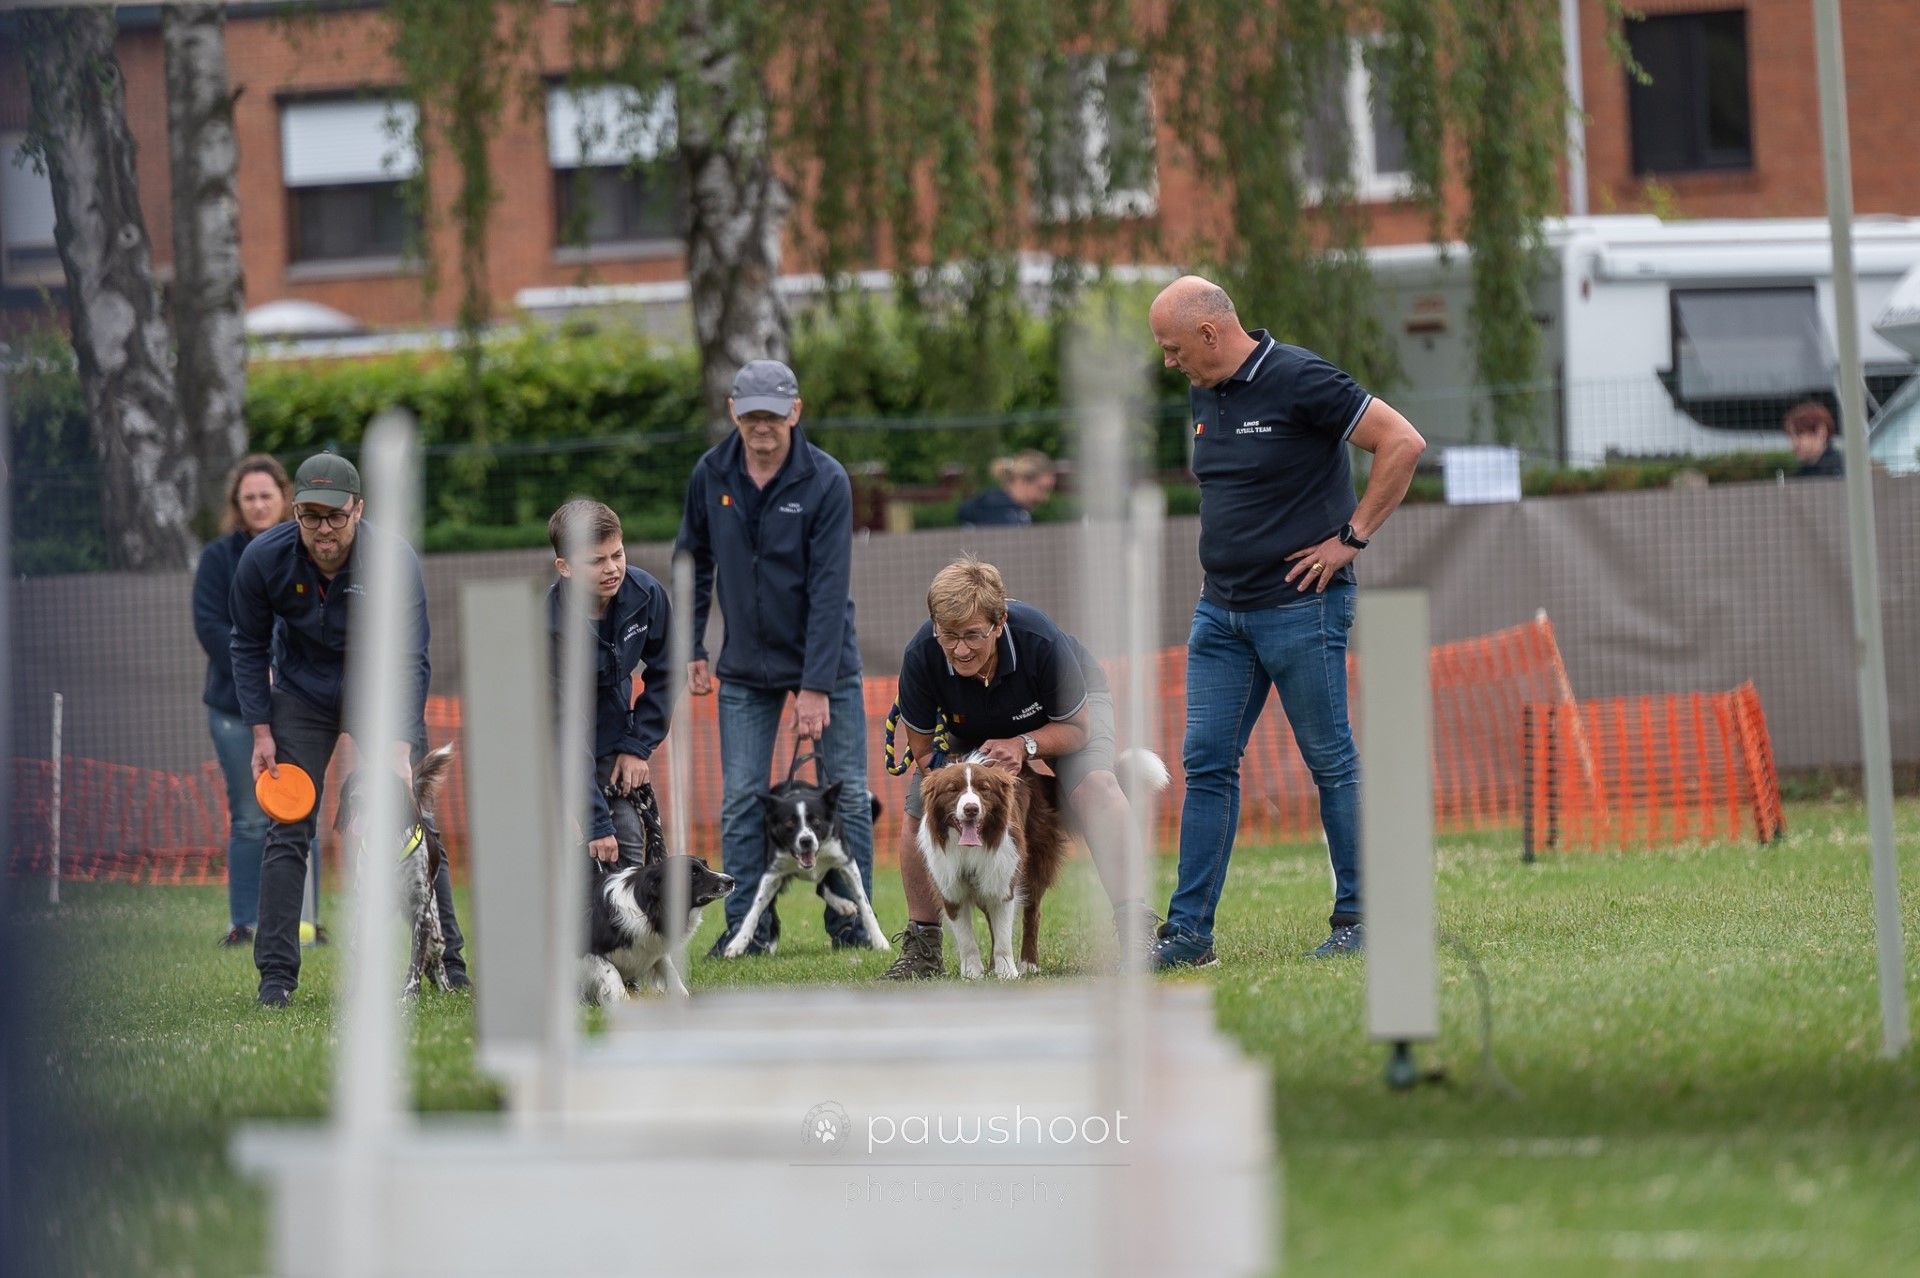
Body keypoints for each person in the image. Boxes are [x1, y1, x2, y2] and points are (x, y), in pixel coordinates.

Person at [1146, 275, 1426, 966]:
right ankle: (1189, 937)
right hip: (1220, 613)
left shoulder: (1302, 378)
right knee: (1206, 763)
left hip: (1302, 606)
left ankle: (1363, 919)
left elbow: (1403, 443)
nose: (1168, 362)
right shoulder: (1203, 391)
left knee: (1331, 762)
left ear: (1210, 333)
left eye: (1173, 347)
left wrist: (1351, 538)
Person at [229, 452, 468, 1006]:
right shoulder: (264, 559)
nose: (324, 530)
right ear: (295, 514)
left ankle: (449, 963)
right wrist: (261, 732)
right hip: (300, 695)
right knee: (286, 828)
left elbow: (411, 657)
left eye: (336, 516)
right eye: (311, 517)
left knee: (416, 824)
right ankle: (276, 980)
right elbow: (245, 642)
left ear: (359, 509)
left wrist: (399, 751)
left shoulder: (394, 560)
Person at [676, 359, 878, 955]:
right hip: (746, 666)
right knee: (741, 797)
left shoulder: (826, 480)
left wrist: (816, 686)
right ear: (734, 413)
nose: (762, 425)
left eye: (773, 413)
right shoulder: (711, 473)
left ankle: (850, 929)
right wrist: (690, 645)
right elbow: (692, 561)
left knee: (846, 792)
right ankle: (749, 932)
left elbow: (828, 585)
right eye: (751, 414)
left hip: (827, 662)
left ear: (796, 411)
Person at [880, 557, 1162, 979]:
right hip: (969, 729)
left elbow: (1078, 728)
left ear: (999, 623)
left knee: (1097, 788)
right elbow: (923, 753)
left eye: (973, 635)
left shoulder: (1040, 640)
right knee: (917, 813)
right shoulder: (922, 655)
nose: (960, 649)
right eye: (949, 636)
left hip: (1061, 719)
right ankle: (922, 947)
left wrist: (1024, 745)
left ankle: (1137, 928)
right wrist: (964, 771)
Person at [195, 455, 308, 948]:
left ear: (284, 498)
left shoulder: (306, 548)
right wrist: (256, 672)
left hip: (297, 702)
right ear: (236, 506)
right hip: (233, 708)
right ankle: (244, 923)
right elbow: (212, 626)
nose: (259, 505)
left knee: (299, 809)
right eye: (250, 498)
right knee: (248, 816)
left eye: (267, 495)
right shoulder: (218, 559)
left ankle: (303, 922)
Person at [545, 499, 672, 867]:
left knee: (630, 849)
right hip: (554, 752)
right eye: (596, 561)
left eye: (617, 554)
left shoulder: (644, 595)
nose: (612, 568)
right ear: (564, 566)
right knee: (580, 855)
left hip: (613, 740)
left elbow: (667, 668)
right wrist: (595, 820)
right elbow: (562, 728)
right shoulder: (548, 627)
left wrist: (637, 745)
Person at [956, 450, 1057, 527]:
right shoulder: (997, 512)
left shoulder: (1015, 512)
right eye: (1041, 488)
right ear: (1022, 480)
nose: (1044, 498)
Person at [1784, 400, 1844, 478]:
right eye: (1791, 437)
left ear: (1821, 432)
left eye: (1799, 434)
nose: (1794, 443)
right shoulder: (1801, 474)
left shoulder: (1840, 469)